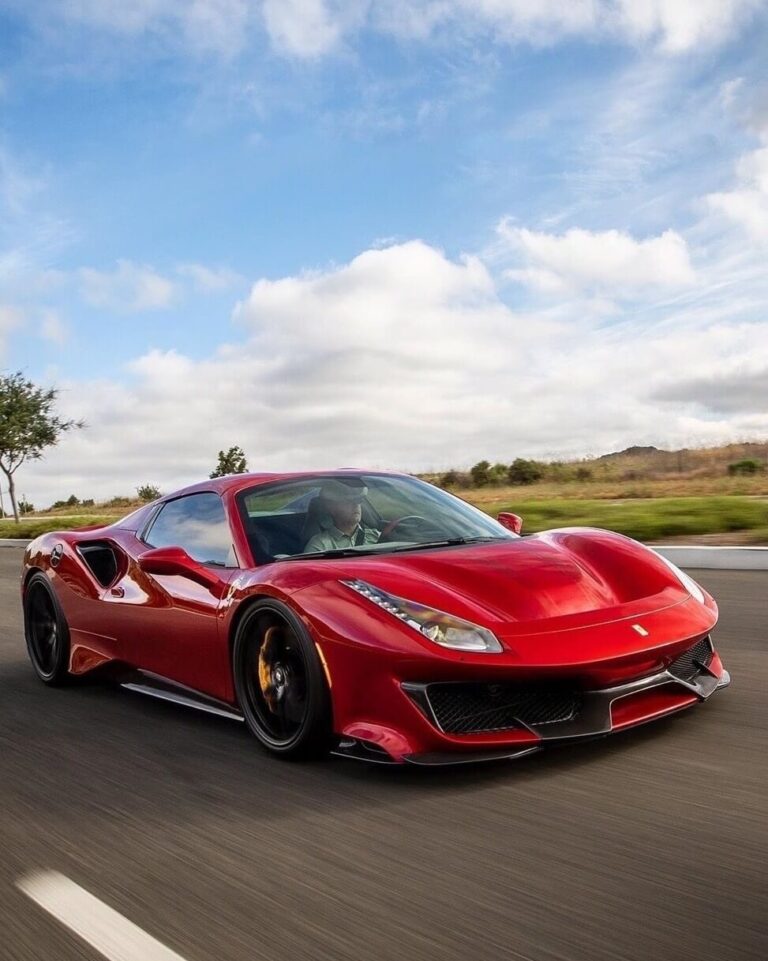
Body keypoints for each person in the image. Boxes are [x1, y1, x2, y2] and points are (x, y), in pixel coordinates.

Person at [303, 480, 380, 553]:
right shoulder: (320, 545)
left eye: (358, 500)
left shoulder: (376, 535)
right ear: (332, 509)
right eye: (348, 502)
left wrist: (385, 539)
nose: (355, 505)